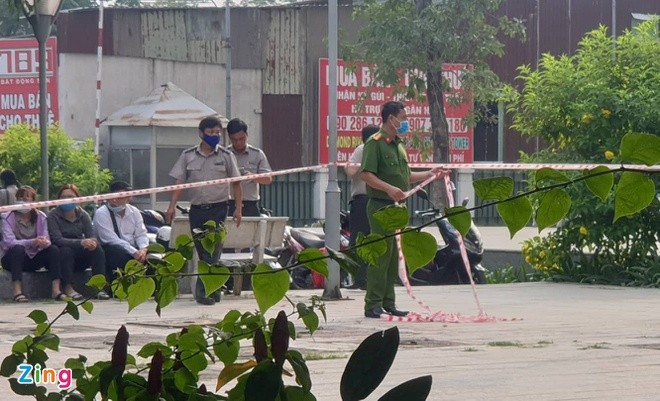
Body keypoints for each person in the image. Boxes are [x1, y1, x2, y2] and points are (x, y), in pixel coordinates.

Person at [360, 101, 442, 318]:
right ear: (390, 118)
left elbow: (406, 177)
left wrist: (430, 174)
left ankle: (389, 302)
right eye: (403, 118)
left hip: (398, 208)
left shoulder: (398, 144)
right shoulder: (374, 143)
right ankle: (373, 304)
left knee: (395, 255)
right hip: (381, 207)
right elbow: (366, 174)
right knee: (380, 255)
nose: (405, 123)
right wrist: (389, 189)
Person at [165, 116, 243, 305]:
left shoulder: (225, 155)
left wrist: (238, 208)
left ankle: (202, 292)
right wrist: (171, 206)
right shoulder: (188, 155)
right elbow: (179, 182)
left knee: (212, 250)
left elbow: (236, 183)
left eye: (217, 133)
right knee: (203, 251)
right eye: (211, 132)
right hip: (197, 210)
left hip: (218, 209)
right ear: (201, 134)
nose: (215, 136)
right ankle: (214, 290)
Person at [1, 186, 64, 302]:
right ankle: (17, 291)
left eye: (26, 198)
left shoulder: (41, 217)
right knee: (18, 249)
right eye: (20, 198)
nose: (23, 201)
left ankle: (56, 290)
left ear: (33, 201)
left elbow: (46, 238)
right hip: (13, 258)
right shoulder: (7, 217)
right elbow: (9, 242)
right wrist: (32, 242)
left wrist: (44, 242)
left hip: (34, 256)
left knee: (53, 250)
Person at [48, 184, 109, 300]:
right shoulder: (53, 215)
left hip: (81, 253)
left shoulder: (83, 214)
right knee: (65, 251)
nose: (67, 199)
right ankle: (68, 287)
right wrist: (80, 242)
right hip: (63, 253)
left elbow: (91, 235)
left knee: (98, 250)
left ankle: (99, 287)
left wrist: (92, 243)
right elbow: (57, 239)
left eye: (70, 196)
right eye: (63, 197)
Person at [93, 181, 150, 291]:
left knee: (153, 255)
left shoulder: (134, 212)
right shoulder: (102, 213)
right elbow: (110, 238)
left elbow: (141, 234)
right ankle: (119, 288)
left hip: (134, 247)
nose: (116, 200)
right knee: (118, 253)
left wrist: (143, 249)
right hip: (113, 248)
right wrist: (134, 252)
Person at [345, 124, 380, 290]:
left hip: (364, 201)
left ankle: (362, 279)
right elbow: (351, 171)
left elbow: (349, 171)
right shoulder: (372, 149)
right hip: (375, 200)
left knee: (359, 241)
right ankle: (364, 279)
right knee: (370, 240)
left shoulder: (363, 148)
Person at [226, 118, 273, 217]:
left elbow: (268, 179)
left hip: (250, 205)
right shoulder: (224, 154)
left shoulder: (257, 154)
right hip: (228, 204)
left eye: (242, 139)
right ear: (229, 137)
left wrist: (252, 176)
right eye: (234, 140)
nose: (238, 142)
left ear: (247, 135)